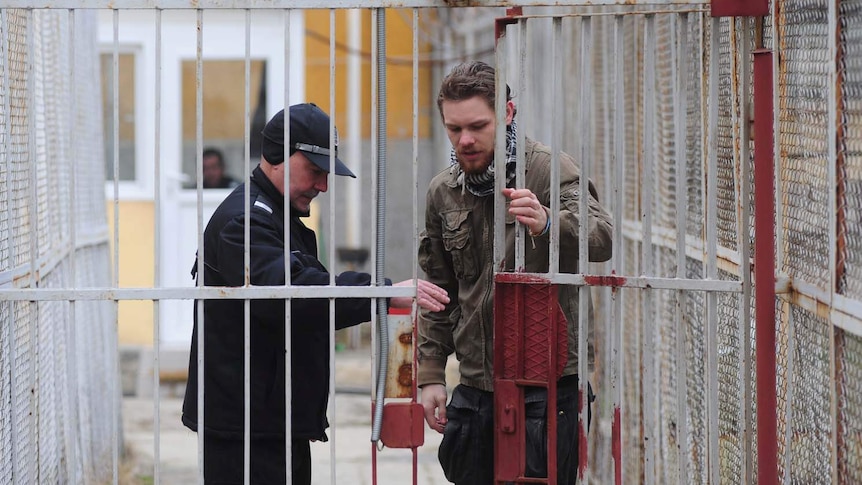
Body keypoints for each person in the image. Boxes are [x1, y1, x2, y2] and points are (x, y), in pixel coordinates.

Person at [181, 103, 450, 485]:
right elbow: (294, 294)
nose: (323, 185)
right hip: (245, 429)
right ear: (276, 155)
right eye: (315, 171)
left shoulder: (275, 215)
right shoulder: (244, 221)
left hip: (269, 422)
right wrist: (381, 293)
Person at [417, 61, 613, 484]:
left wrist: (548, 221)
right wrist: (431, 373)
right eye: (454, 129)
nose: (465, 140)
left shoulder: (547, 170)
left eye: (477, 126)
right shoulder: (444, 191)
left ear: (506, 113)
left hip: (547, 381)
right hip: (476, 383)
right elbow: (439, 288)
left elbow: (602, 238)